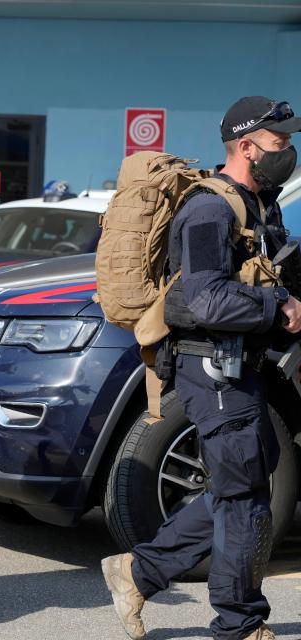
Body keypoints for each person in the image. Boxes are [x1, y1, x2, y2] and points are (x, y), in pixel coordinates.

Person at [101, 96, 301, 640]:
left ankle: (139, 572)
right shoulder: (209, 210)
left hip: (245, 363)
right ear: (246, 146)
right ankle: (238, 625)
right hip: (209, 366)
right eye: (281, 144)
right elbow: (205, 300)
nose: (289, 153)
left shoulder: (264, 206)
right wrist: (275, 309)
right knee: (245, 496)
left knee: (243, 484)